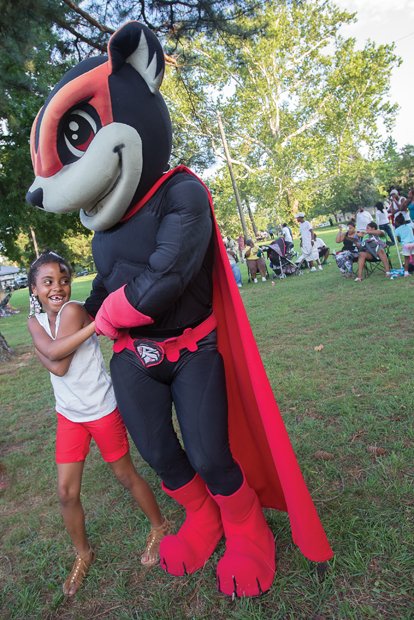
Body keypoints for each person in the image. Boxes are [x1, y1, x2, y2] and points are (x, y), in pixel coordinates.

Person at [27, 250, 168, 597]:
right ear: (34, 289)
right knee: (65, 492)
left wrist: (46, 350)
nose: (57, 288)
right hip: (69, 415)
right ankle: (83, 553)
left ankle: (160, 525)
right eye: (47, 282)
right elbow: (56, 359)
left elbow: (56, 362)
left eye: (63, 280)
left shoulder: (73, 310)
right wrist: (90, 330)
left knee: (124, 474)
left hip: (101, 409)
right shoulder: (35, 321)